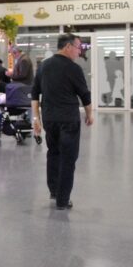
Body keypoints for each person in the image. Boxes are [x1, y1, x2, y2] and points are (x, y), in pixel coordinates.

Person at [31, 34, 93, 210]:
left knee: (53, 153)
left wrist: (36, 119)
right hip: (68, 121)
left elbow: (35, 94)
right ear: (67, 46)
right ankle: (62, 200)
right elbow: (84, 94)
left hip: (49, 119)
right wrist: (90, 114)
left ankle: (54, 190)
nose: (79, 51)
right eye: (78, 47)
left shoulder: (43, 66)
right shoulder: (73, 69)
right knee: (68, 158)